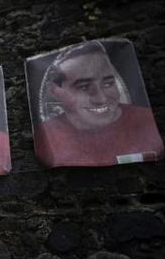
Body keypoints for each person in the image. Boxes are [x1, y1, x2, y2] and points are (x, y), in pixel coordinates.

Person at [34, 41, 164, 167]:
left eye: (108, 84)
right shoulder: (46, 135)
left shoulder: (145, 120)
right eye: (83, 87)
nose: (101, 98)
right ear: (54, 91)